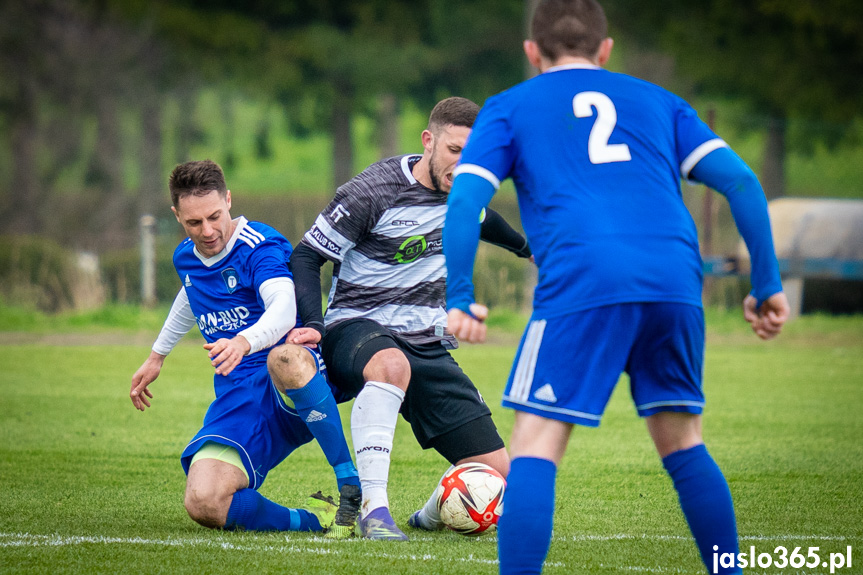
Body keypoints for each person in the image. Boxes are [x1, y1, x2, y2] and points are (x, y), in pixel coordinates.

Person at [443, 1, 790, 573]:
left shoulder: (509, 108)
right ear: (605, 51)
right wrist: (768, 283)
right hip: (676, 281)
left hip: (584, 280)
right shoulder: (660, 101)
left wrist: (460, 297)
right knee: (683, 443)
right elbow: (744, 183)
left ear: (533, 53)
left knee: (534, 447)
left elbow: (465, 201)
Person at [287, 97, 533, 540]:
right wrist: (313, 323)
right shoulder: (372, 192)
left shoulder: (465, 190)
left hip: (426, 338)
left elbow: (484, 220)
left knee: (497, 479)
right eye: (455, 151)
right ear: (429, 142)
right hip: (355, 327)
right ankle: (373, 509)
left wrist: (530, 250)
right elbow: (306, 256)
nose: (464, 164)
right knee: (391, 364)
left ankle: (434, 512)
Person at [129, 160, 361, 534]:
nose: (207, 231)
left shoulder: (259, 246)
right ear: (176, 216)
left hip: (291, 382)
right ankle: (311, 521)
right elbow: (191, 296)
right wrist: (158, 355)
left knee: (282, 356)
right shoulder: (186, 257)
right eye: (193, 222)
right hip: (240, 398)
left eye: (214, 216)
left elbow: (284, 308)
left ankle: (350, 486)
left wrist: (244, 341)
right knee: (204, 502)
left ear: (229, 200)